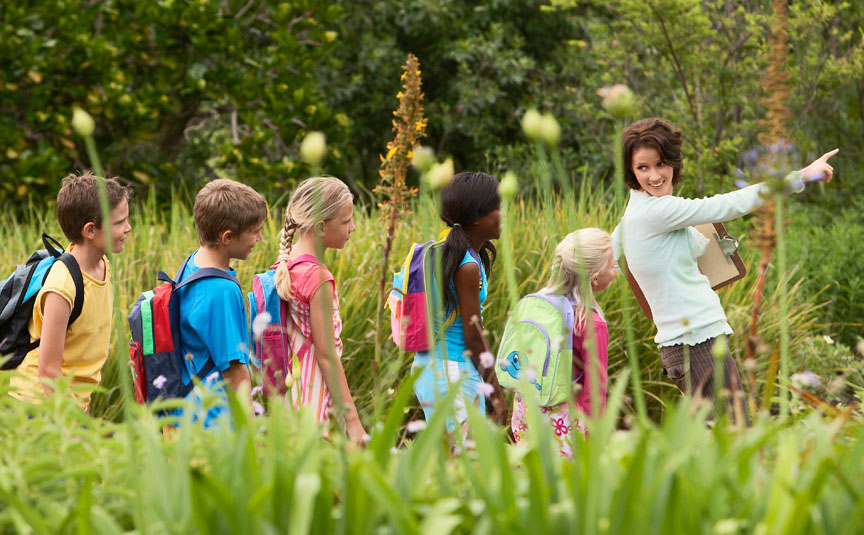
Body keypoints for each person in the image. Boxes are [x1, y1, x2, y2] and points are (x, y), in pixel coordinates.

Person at [612, 117, 837, 419]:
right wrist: (801, 176)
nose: (654, 175)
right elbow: (728, 204)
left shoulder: (636, 212)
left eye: (661, 163)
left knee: (725, 444)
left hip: (696, 342)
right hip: (696, 344)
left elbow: (607, 253)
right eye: (643, 168)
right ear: (631, 171)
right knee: (733, 437)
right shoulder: (655, 211)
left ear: (674, 163)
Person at [9, 171, 132, 411]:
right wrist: (72, 423)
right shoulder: (62, 287)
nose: (128, 228)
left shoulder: (101, 263)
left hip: (72, 402)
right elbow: (48, 371)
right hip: (40, 406)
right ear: (90, 230)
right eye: (119, 222)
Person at [272, 176, 366, 443]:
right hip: (317, 400)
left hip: (291, 397)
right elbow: (326, 357)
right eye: (347, 221)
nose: (354, 227)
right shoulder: (318, 278)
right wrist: (353, 421)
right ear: (322, 227)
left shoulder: (286, 267)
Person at [413, 171, 509, 433]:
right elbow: (473, 337)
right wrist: (496, 396)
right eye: (498, 207)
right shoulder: (466, 265)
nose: (503, 213)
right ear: (477, 218)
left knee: (451, 461)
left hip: (429, 367)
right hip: (451, 371)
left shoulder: (444, 250)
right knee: (465, 464)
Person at [510, 228, 616, 458]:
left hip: (527, 409)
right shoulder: (591, 324)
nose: (615, 270)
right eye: (612, 264)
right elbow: (594, 392)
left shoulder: (538, 306)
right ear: (595, 278)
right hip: (564, 422)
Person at [176, 178, 267, 427]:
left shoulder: (192, 264)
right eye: (254, 231)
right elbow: (235, 372)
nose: (259, 238)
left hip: (185, 411)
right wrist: (251, 438)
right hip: (212, 421)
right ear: (227, 237)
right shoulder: (221, 290)